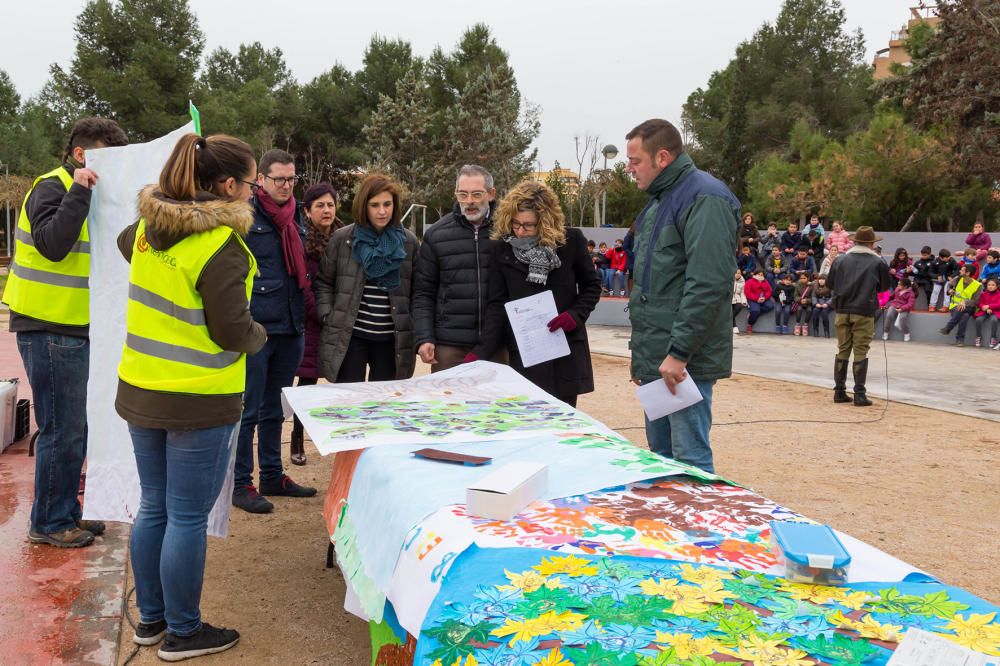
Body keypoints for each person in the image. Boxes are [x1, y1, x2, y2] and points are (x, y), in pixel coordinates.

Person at [116, 133, 266, 659]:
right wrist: (259, 335)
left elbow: (123, 244)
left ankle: (152, 622)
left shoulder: (144, 231)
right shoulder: (222, 246)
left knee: (154, 506)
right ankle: (183, 631)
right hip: (199, 399)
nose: (255, 190)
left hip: (142, 389)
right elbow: (232, 330)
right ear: (228, 185)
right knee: (184, 517)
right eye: (252, 181)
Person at [3, 117, 128, 548]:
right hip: (49, 327)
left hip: (76, 327)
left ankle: (66, 511)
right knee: (62, 428)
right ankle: (51, 521)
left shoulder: (90, 194)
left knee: (78, 426)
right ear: (81, 155)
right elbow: (53, 246)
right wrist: (79, 189)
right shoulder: (53, 187)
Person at [625, 118, 740, 474]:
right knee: (660, 457)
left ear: (662, 157)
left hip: (683, 362)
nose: (628, 169)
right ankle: (668, 527)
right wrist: (645, 359)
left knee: (689, 459)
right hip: (659, 357)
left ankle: (694, 529)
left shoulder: (705, 198)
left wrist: (678, 353)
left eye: (635, 161)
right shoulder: (661, 200)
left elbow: (708, 284)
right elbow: (653, 285)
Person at [232, 150, 314, 514]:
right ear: (261, 179)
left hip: (291, 325)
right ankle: (240, 482)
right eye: (279, 179)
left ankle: (272, 474)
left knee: (273, 409)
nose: (285, 185)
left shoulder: (296, 215)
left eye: (291, 179)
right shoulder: (244, 216)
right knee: (247, 409)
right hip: (258, 329)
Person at [469, 181, 600, 406]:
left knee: (561, 425)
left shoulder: (571, 242)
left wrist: (575, 315)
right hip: (525, 353)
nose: (520, 231)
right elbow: (497, 305)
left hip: (563, 351)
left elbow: (592, 286)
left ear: (545, 222)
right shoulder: (502, 250)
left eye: (529, 226)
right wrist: (481, 352)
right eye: (516, 224)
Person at [315, 174, 418, 383]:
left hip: (392, 339)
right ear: (364, 206)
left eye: (387, 204)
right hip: (351, 337)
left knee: (384, 405)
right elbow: (324, 281)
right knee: (349, 402)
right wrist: (328, 315)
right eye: (375, 205)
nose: (382, 211)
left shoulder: (409, 242)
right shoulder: (343, 239)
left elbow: (418, 290)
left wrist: (413, 323)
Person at [413, 165, 505, 372]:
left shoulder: (508, 231)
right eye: (462, 194)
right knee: (448, 403)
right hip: (449, 346)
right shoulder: (436, 235)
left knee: (497, 404)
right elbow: (423, 292)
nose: (469, 201)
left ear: (491, 194)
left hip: (498, 343)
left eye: (476, 194)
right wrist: (424, 337)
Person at [289, 183, 342, 466]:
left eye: (330, 205)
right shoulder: (301, 240)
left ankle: (339, 438)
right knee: (307, 382)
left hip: (339, 319)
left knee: (342, 381)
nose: (326, 210)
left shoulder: (346, 238)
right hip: (312, 320)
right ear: (307, 211)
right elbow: (304, 284)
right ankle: (297, 438)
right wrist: (321, 312)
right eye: (319, 205)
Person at [827, 226, 891, 406]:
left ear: (854, 241)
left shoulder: (840, 260)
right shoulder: (877, 262)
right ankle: (859, 393)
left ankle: (839, 391)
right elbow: (884, 287)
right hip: (863, 310)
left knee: (843, 349)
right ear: (871, 243)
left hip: (841, 310)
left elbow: (830, 283)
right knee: (861, 350)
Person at [939, 264, 981, 347]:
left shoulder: (978, 285)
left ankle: (948, 327)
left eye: (962, 270)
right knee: (964, 316)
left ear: (968, 273)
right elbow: (948, 285)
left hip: (970, 307)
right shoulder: (957, 279)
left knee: (962, 309)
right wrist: (949, 290)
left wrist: (965, 302)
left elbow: (976, 301)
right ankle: (960, 340)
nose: (960, 271)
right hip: (954, 305)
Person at [884, 277, 915, 342]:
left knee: (902, 318)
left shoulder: (911, 293)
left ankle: (906, 333)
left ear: (905, 287)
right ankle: (885, 332)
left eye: (899, 284)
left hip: (904, 307)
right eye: (898, 284)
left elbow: (910, 304)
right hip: (894, 305)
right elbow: (893, 296)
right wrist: (885, 300)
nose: (898, 285)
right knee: (889, 315)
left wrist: (902, 309)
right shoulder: (897, 289)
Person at [743, 268, 773, 335]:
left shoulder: (765, 281)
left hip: (763, 298)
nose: (760, 276)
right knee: (755, 311)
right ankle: (750, 324)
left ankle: (753, 314)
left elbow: (769, 291)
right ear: (755, 274)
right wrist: (757, 299)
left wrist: (764, 297)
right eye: (758, 274)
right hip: (753, 299)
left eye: (761, 275)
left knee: (770, 306)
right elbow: (747, 293)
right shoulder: (750, 281)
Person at [972, 276, 1000, 349]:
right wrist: (985, 308)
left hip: (995, 311)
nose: (990, 286)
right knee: (978, 320)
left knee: (994, 320)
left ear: (997, 286)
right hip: (984, 311)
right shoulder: (983, 294)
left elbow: (998, 304)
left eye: (993, 285)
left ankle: (993, 338)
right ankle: (978, 336)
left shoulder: (999, 294)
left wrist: (988, 306)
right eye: (989, 285)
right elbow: (980, 303)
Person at [792, 271, 813, 336]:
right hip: (800, 302)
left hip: (808, 302)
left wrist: (807, 300)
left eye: (804, 278)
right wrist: (800, 300)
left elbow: (813, 297)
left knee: (809, 310)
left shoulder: (811, 286)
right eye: (801, 278)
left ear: (808, 278)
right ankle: (797, 325)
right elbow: (795, 296)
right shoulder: (797, 285)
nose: (802, 279)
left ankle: (805, 326)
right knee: (799, 309)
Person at [732, 270, 747, 334]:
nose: (737, 274)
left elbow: (742, 293)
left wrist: (744, 301)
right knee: (730, 310)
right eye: (736, 273)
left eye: (739, 273)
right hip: (730, 297)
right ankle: (734, 326)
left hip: (737, 298)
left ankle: (731, 323)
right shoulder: (730, 279)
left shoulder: (742, 281)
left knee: (739, 307)